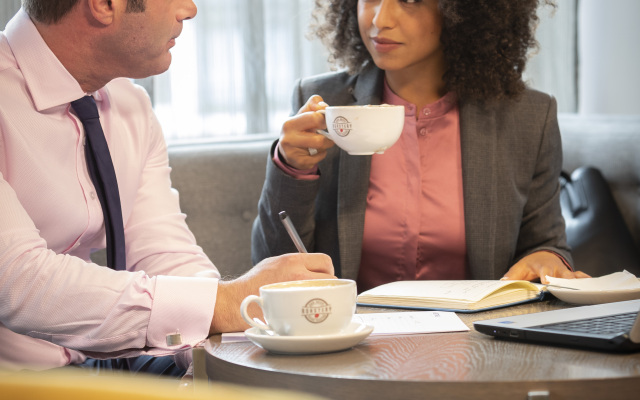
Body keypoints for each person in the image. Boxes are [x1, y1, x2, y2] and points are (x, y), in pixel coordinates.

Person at [0, 0, 335, 374]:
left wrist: (221, 348)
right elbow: (17, 282)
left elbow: (164, 251)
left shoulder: (130, 104)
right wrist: (223, 303)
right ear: (104, 5)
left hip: (104, 364)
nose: (190, 10)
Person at [251, 0, 589, 294]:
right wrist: (290, 168)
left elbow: (546, 244)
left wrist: (548, 258)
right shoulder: (325, 105)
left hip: (480, 349)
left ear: (462, 11)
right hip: (352, 348)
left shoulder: (528, 118)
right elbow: (269, 268)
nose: (380, 19)